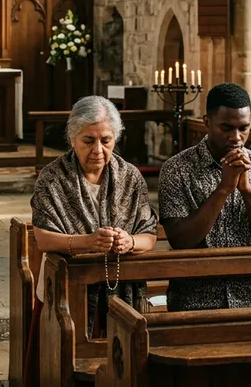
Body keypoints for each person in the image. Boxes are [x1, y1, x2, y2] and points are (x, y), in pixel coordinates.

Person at [25, 96, 157, 385]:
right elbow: (44, 239)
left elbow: (149, 236)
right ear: (72, 138)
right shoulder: (53, 178)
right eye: (88, 140)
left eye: (106, 140)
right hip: (67, 290)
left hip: (120, 291)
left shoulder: (130, 177)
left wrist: (129, 242)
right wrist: (85, 242)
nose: (98, 150)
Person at [158, 83, 251, 312]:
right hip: (192, 301)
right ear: (207, 122)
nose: (236, 137)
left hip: (250, 298)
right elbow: (180, 241)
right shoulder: (176, 169)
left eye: (244, 128)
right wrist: (223, 189)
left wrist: (247, 191)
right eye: (226, 128)